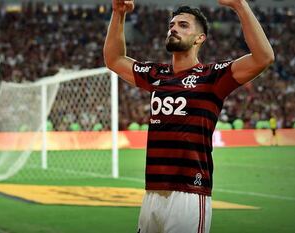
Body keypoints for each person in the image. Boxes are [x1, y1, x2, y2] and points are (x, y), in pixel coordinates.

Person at [103, 0, 274, 232]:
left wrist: (239, 5)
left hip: (189, 196)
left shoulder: (213, 77)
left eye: (183, 25)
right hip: (152, 193)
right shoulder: (156, 75)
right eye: (172, 24)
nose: (173, 28)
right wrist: (118, 13)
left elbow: (263, 57)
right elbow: (113, 60)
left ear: (199, 38)